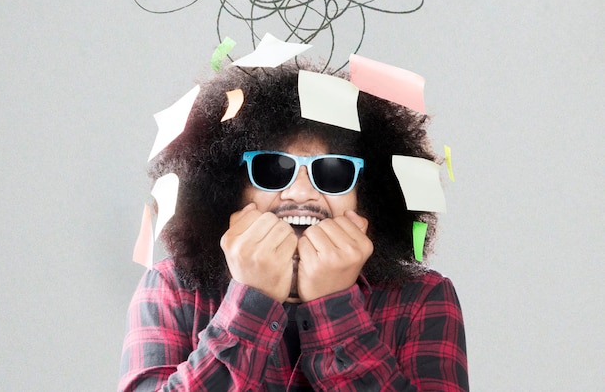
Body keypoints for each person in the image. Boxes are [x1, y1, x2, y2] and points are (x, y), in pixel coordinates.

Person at [118, 59, 469, 391]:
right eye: (273, 169)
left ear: (367, 196)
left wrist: (336, 308)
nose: (301, 193)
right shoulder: (173, 290)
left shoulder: (422, 299)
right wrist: (250, 303)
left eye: (333, 173)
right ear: (229, 190)